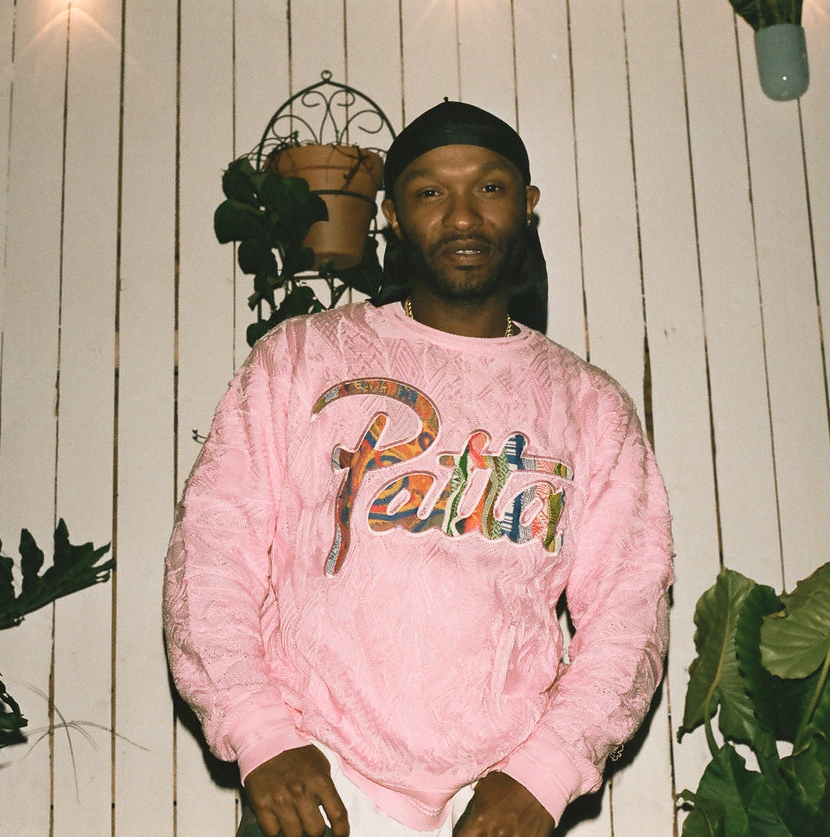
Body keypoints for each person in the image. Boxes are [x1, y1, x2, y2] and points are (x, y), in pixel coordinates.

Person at [163, 100, 674, 837]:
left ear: (527, 204)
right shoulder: (301, 359)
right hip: (313, 788)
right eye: (431, 191)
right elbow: (211, 553)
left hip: (497, 800)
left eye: (490, 188)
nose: (463, 216)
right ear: (393, 217)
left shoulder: (590, 406)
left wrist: (544, 774)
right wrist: (261, 734)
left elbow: (630, 611)